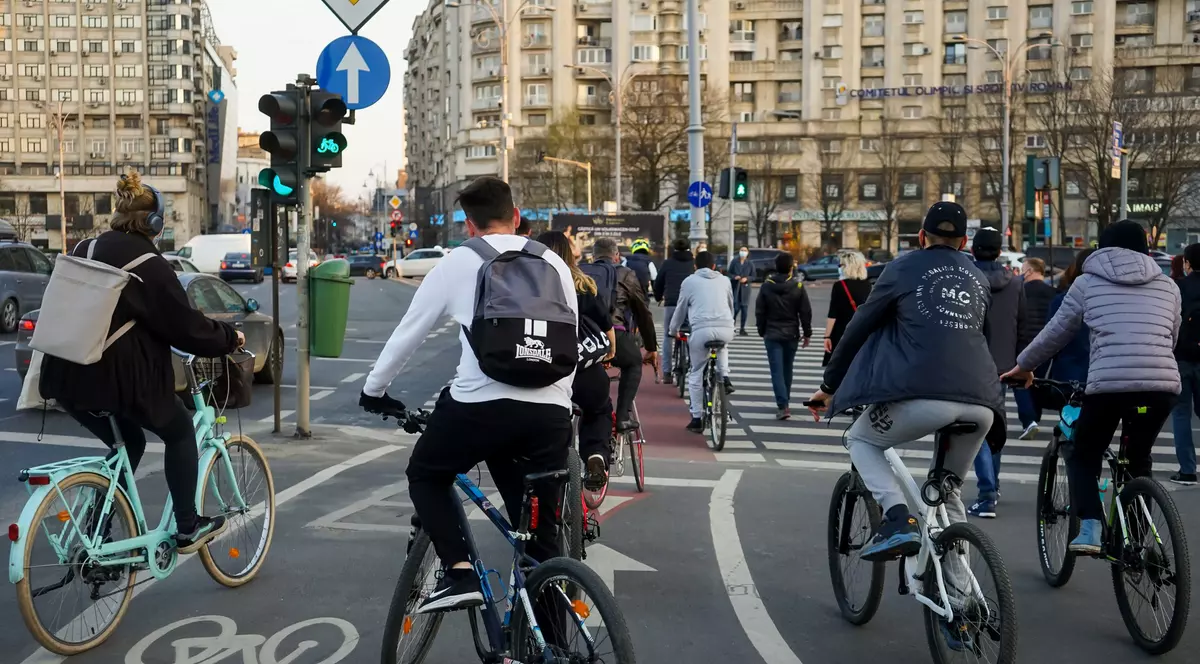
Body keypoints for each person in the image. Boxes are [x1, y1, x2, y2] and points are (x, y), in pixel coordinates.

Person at [359, 177, 577, 612]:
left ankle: (460, 574)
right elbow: (565, 335)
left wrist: (374, 390)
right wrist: (557, 402)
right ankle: (552, 644)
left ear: (469, 225)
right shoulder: (553, 261)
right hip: (551, 413)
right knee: (540, 541)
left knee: (426, 474)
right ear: (516, 217)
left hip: (481, 408)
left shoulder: (461, 260)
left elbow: (409, 334)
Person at [39, 170, 245, 554]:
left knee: (128, 443)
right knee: (181, 430)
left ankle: (97, 531)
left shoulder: (83, 247)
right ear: (154, 222)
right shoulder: (149, 264)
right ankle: (187, 527)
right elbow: (185, 328)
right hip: (117, 380)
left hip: (64, 375)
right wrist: (229, 338)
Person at [807, 201, 1000, 563]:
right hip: (982, 403)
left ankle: (898, 518)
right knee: (948, 492)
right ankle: (963, 601)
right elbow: (982, 338)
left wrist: (829, 387)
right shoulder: (978, 278)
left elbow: (858, 328)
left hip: (924, 396)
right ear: (963, 243)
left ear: (921, 236)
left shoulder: (902, 268)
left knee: (861, 439)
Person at [1002, 220, 1181, 555]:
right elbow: (1171, 336)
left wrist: (1023, 366)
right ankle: (1138, 542)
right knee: (1138, 460)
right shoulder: (1168, 286)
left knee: (1085, 452)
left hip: (1109, 386)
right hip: (1161, 386)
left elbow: (1056, 333)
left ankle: (1090, 528)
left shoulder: (1087, 282)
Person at [538, 231, 616, 490]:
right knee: (599, 409)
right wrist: (610, 352)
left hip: (544, 370)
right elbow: (606, 324)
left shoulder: (529, 284)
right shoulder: (582, 283)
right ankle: (596, 455)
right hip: (583, 370)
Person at [967, 227, 1029, 520]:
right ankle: (993, 486)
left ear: (973, 249)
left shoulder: (965, 278)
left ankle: (986, 493)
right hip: (1004, 366)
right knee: (995, 427)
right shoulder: (1016, 283)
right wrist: (1022, 365)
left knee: (972, 429)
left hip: (968, 364)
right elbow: (1023, 325)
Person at [585, 237, 658, 432]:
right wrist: (651, 347)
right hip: (614, 336)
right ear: (616, 256)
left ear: (593, 257)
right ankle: (623, 416)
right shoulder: (626, 275)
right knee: (633, 363)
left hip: (583, 337)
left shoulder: (581, 272)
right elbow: (643, 314)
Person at [671, 251, 738, 432]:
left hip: (701, 330)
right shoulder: (725, 280)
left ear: (695, 266)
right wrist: (729, 322)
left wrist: (673, 330)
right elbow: (731, 304)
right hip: (726, 327)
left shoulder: (689, 282)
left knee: (696, 372)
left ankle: (697, 418)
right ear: (714, 266)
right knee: (722, 345)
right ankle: (724, 376)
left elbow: (681, 308)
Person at [755, 252, 813, 420]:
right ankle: (785, 400)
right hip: (791, 333)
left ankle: (783, 405)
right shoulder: (798, 286)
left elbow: (760, 311)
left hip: (772, 333)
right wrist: (807, 333)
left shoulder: (766, 286)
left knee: (776, 371)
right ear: (790, 268)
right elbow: (805, 312)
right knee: (788, 369)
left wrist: (761, 330)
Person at [1013, 257, 1058, 440]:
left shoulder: (1019, 291)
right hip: (1047, 344)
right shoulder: (1054, 293)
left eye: (1023, 269)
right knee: (1038, 381)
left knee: (1020, 381)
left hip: (1024, 343)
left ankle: (1030, 420)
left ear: (1030, 271)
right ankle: (1034, 418)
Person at [1170, 243, 1200, 485]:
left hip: (1181, 358)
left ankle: (1188, 470)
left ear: (1187, 263)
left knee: (1181, 414)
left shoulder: (1178, 287)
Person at [1045, 249, 1093, 387]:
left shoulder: (1062, 300)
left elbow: (1050, 340)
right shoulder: (1113, 301)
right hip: (1106, 378)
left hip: (1069, 377)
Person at [822, 251, 872, 367]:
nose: (839, 268)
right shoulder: (868, 285)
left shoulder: (839, 286)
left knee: (839, 369)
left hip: (841, 333)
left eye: (841, 265)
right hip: (861, 333)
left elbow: (832, 314)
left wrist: (827, 336)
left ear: (848, 267)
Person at [654, 239, 695, 384]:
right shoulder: (693, 263)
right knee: (691, 334)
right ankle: (692, 366)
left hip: (671, 303)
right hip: (690, 304)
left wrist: (659, 296)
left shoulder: (667, 263)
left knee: (668, 336)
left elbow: (658, 283)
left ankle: (667, 373)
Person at [728, 246, 755, 336]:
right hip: (736, 287)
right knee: (735, 308)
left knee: (744, 309)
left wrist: (746, 278)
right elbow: (729, 273)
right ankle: (732, 327)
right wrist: (734, 277)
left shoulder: (750, 263)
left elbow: (753, 276)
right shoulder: (734, 262)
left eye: (745, 250)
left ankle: (742, 328)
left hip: (745, 288)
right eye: (741, 250)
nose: (743, 252)